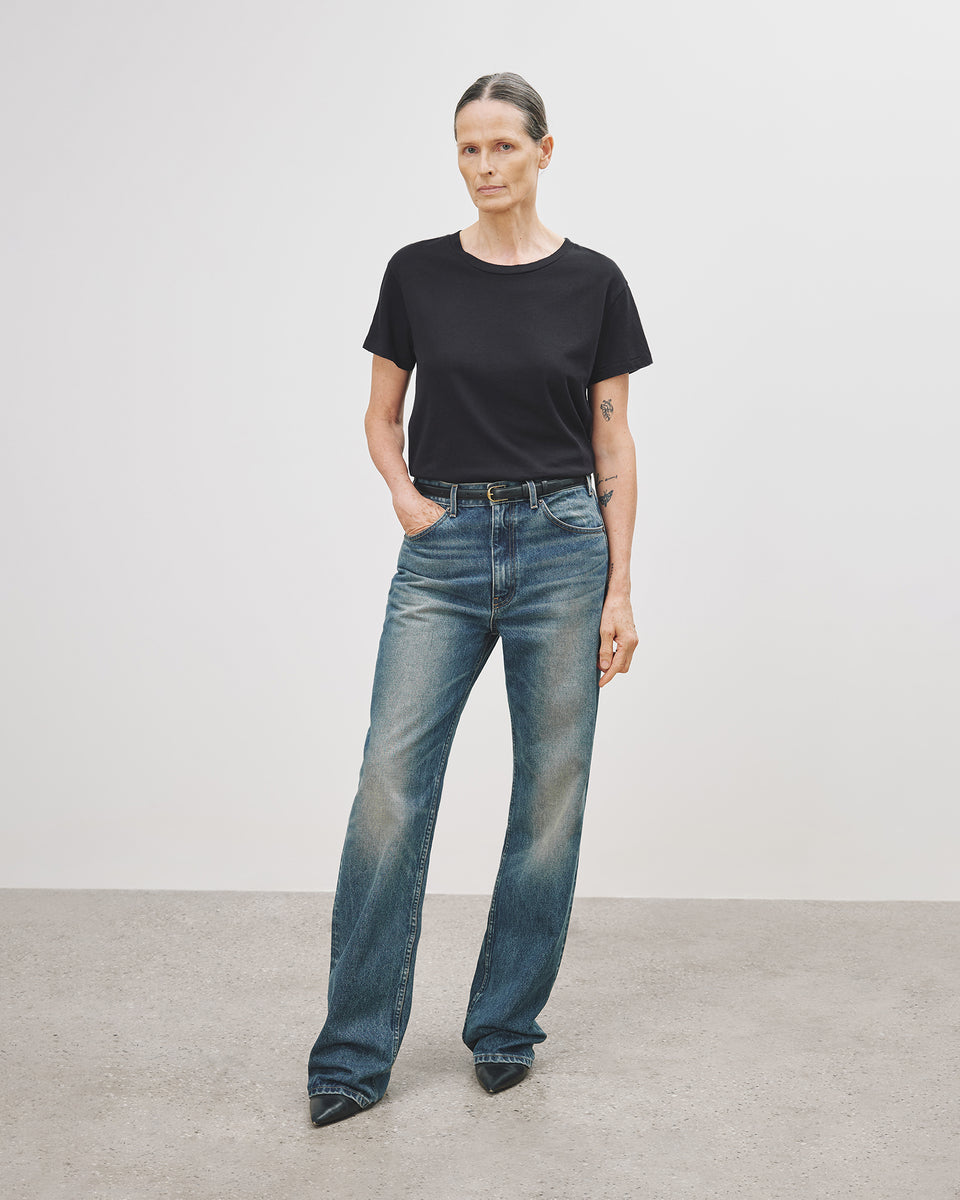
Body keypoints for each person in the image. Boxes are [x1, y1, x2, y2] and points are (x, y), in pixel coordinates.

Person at [307, 71, 653, 1127]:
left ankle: (504, 1028)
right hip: (445, 547)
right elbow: (381, 415)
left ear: (545, 151)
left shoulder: (595, 283)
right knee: (389, 787)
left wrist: (620, 587)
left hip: (563, 548)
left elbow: (612, 443)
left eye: (504, 145)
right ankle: (353, 1054)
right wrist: (407, 500)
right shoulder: (417, 273)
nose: (485, 164)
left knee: (550, 797)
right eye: (469, 147)